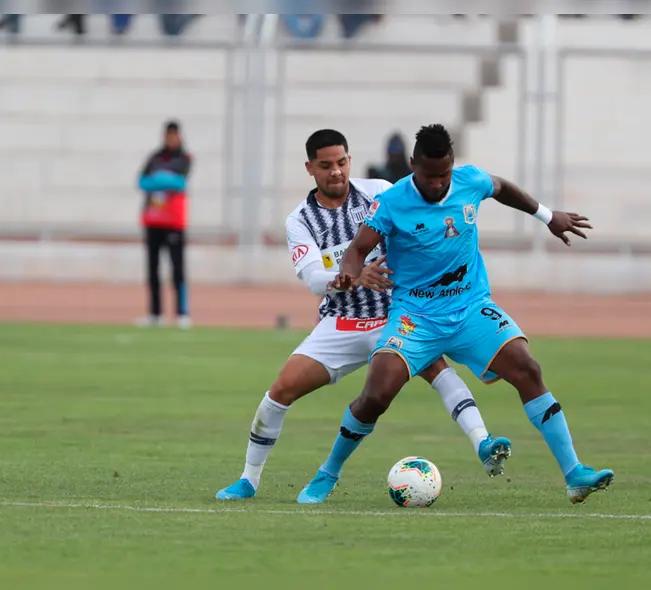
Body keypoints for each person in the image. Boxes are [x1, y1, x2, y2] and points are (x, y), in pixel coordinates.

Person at [297, 124, 614, 506]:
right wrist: (348, 270)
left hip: (470, 308)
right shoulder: (393, 202)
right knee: (376, 395)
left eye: (444, 175)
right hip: (414, 317)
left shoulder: (470, 180)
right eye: (429, 176)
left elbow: (502, 188)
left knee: (527, 369)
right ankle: (327, 473)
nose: (437, 184)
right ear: (413, 165)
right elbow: (358, 248)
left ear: (452, 166)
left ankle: (575, 473)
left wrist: (548, 216)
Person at [215, 129, 512, 501]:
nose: (336, 172)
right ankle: (249, 479)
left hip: (396, 315)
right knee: (280, 391)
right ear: (310, 168)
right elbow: (312, 279)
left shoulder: (380, 192)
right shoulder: (301, 220)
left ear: (349, 160)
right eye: (326, 166)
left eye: (341, 162)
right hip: (342, 322)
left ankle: (484, 442)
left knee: (438, 368)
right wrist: (353, 277)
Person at [135, 120, 193, 329]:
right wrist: (164, 180)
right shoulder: (155, 157)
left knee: (177, 268)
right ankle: (155, 313)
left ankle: (182, 313)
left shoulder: (185, 158)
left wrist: (159, 179)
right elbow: (142, 182)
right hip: (154, 219)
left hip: (174, 221)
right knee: (153, 269)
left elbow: (180, 183)